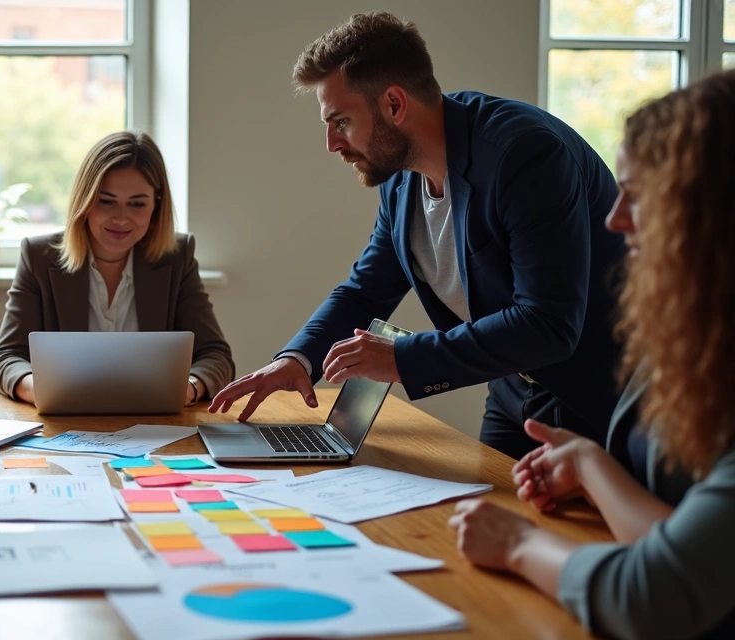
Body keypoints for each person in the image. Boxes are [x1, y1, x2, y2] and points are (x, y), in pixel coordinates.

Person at [208, 12, 626, 460]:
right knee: (482, 505)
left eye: (341, 122)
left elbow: (547, 324)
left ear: (394, 104)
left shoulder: (524, 155)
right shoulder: (400, 178)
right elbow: (366, 291)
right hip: (513, 391)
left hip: (598, 400)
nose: (332, 143)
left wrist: (400, 357)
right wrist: (297, 359)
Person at [450, 69, 735, 640]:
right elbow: (685, 545)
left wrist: (518, 542)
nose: (614, 217)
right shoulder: (700, 337)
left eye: (639, 194)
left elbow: (655, 596)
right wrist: (590, 466)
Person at [0, 130, 234, 406]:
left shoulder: (177, 257)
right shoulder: (39, 257)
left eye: (137, 204)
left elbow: (216, 356)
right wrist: (41, 390)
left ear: (156, 206)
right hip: (64, 419)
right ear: (85, 201)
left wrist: (188, 388)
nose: (121, 218)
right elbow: (7, 357)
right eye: (106, 201)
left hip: (156, 421)